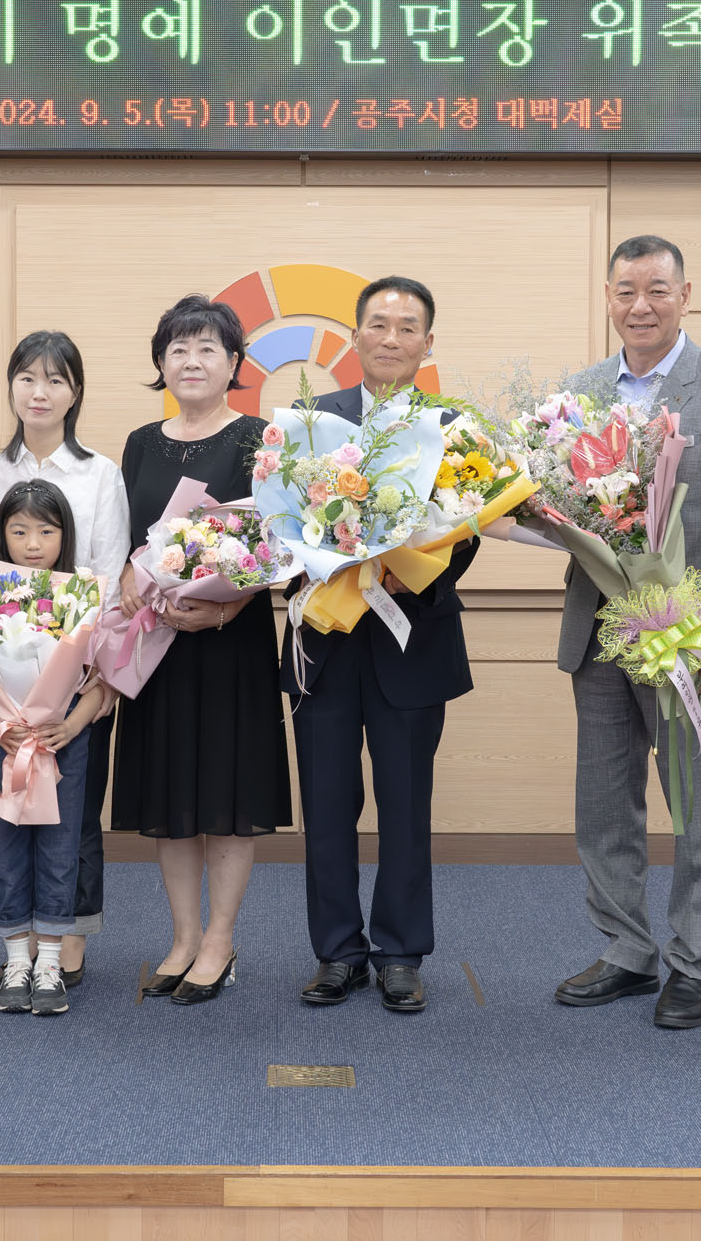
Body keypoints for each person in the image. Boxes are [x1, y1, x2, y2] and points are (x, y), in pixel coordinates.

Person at [553, 234, 701, 1030]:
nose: (640, 305)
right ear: (608, 298)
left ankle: (695, 959)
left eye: (656, 290)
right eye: (626, 290)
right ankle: (626, 949)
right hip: (601, 632)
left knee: (698, 805)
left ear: (685, 296)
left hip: (693, 638)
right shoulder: (578, 393)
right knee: (604, 805)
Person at [283, 275, 476, 1015]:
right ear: (355, 335)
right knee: (327, 804)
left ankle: (400, 953)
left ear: (427, 343)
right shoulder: (310, 424)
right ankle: (337, 952)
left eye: (407, 327)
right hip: (324, 642)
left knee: (406, 804)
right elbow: (281, 521)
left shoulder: (453, 427)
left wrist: (407, 569)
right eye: (379, 324)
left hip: (411, 640)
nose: (391, 338)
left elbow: (468, 528)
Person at [111, 295, 292, 1005]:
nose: (191, 361)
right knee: (170, 791)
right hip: (157, 643)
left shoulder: (259, 438)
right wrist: (129, 579)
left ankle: (220, 939)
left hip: (230, 643)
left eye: (207, 348)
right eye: (178, 349)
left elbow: (282, 543)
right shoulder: (139, 443)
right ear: (160, 363)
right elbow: (129, 539)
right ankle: (183, 937)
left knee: (227, 790)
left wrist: (225, 607)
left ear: (234, 363)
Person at [0, 331, 129, 988]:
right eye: (27, 377)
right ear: (12, 387)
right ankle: (21, 943)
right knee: (11, 810)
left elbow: (109, 576)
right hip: (2, 683)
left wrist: (93, 677)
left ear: (75, 392)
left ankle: (67, 934)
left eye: (55, 380)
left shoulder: (101, 473)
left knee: (74, 814)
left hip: (77, 679)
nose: (40, 392)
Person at [0, 480, 106, 1016]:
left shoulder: (84, 595)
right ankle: (16, 960)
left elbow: (101, 681)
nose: (33, 543)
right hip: (7, 743)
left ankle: (50, 964)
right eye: (19, 531)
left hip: (64, 744)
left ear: (65, 535)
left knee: (61, 850)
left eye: (46, 531)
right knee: (7, 849)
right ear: (2, 535)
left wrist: (72, 724)